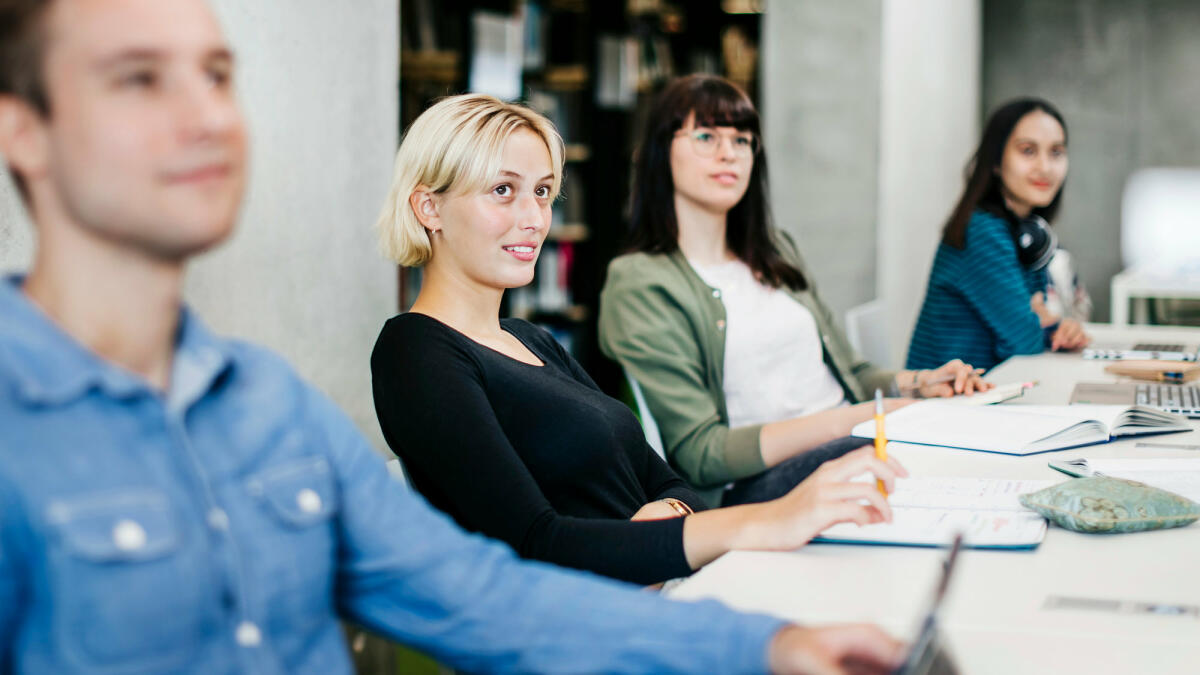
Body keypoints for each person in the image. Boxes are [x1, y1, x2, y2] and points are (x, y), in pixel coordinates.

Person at [0, 1, 905, 672]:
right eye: (138, 78)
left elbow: (485, 594)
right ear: (23, 131)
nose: (205, 115)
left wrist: (772, 644)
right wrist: (763, 524)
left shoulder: (272, 409)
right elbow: (536, 545)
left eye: (218, 76)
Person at [370, 93, 906, 589]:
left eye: (541, 192)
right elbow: (536, 545)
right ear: (429, 208)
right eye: (503, 191)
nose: (534, 219)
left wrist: (662, 525)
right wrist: (767, 520)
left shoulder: (531, 340)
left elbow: (670, 481)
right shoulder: (415, 352)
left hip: (663, 589)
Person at [597, 74, 988, 509]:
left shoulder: (775, 250)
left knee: (964, 443)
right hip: (755, 487)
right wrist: (856, 422)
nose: (729, 153)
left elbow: (852, 375)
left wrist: (918, 385)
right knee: (920, 458)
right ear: (660, 151)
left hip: (846, 443)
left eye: (743, 140)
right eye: (706, 136)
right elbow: (702, 454)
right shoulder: (640, 282)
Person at [906, 98, 1091, 372]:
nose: (1045, 167)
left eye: (1056, 152)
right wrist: (1041, 323)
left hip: (990, 389)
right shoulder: (982, 231)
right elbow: (1023, 342)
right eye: (1028, 151)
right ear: (995, 161)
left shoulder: (1027, 231)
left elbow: (1030, 323)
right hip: (946, 402)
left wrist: (1053, 326)